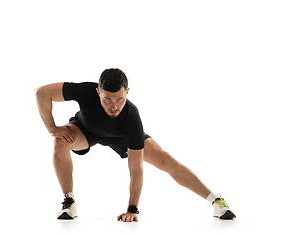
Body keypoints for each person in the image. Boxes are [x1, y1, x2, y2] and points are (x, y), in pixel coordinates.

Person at [35, 68, 236, 222]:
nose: (114, 105)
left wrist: (132, 208)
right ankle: (69, 202)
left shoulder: (131, 117)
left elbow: (136, 169)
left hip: (122, 137)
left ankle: (216, 201)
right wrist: (52, 128)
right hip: (86, 130)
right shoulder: (85, 91)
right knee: (59, 142)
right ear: (98, 92)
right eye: (107, 99)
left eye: (120, 99)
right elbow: (42, 93)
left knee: (167, 160)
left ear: (127, 92)